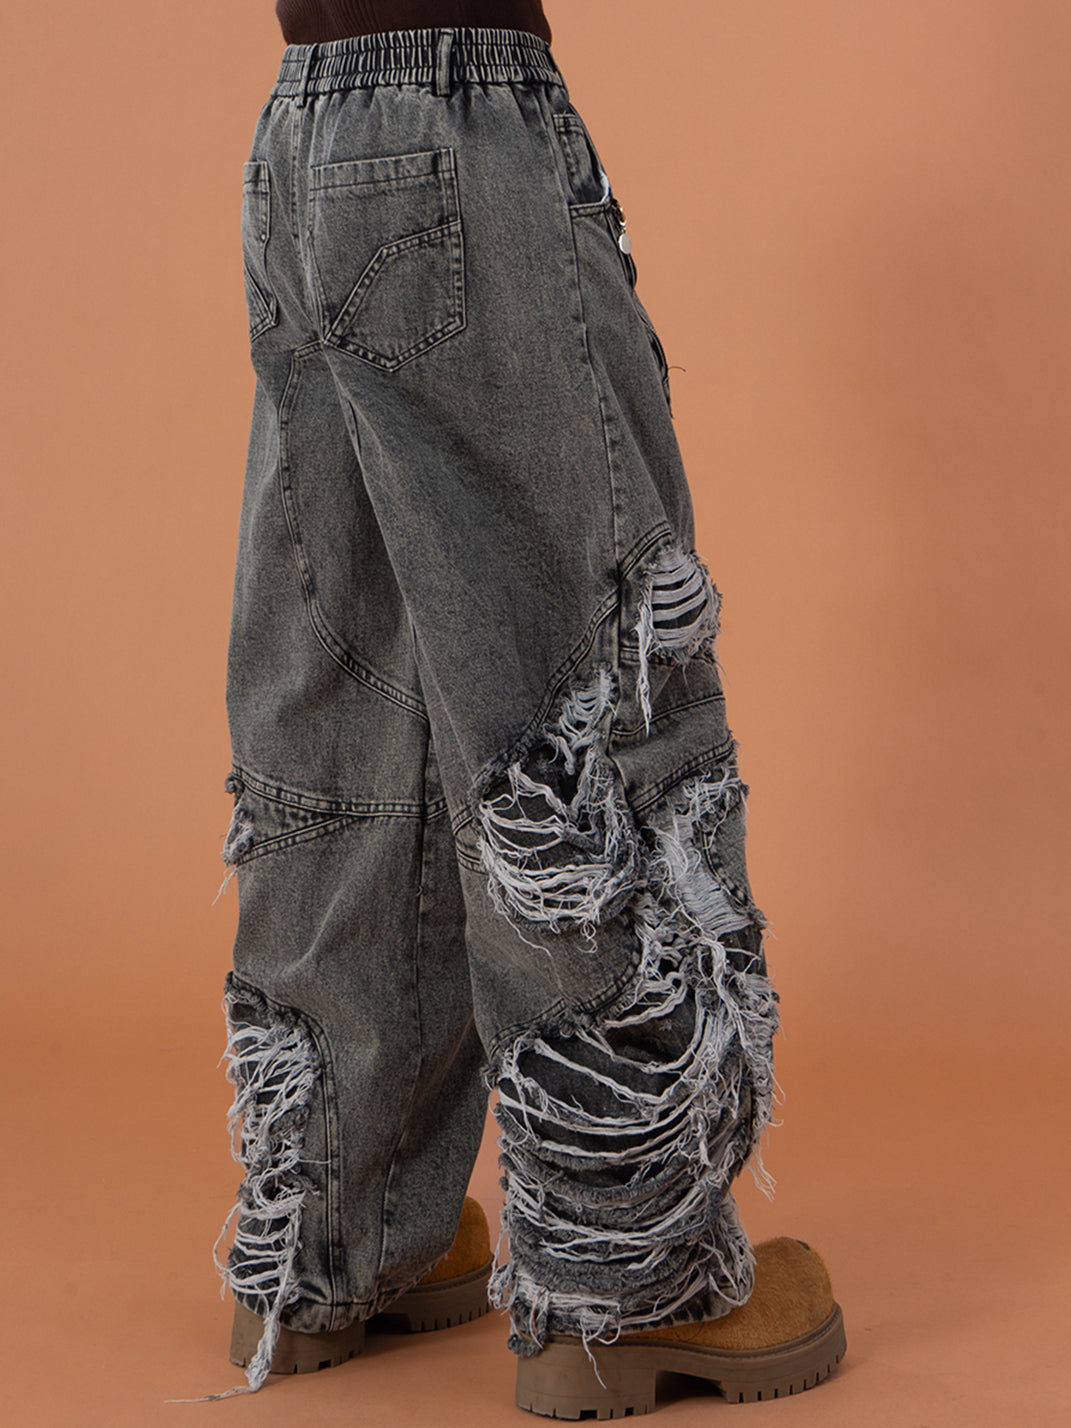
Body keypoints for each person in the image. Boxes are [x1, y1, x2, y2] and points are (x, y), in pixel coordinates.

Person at [213, 1, 846, 1414]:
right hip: (464, 106)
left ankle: (334, 1236)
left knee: (349, 700)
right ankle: (635, 1278)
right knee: (579, 697)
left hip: (305, 119)